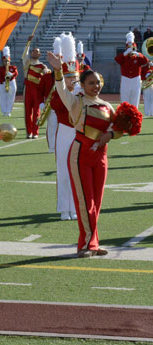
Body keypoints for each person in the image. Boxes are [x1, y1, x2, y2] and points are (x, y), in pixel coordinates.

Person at [47, 52, 134, 257]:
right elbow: (60, 89)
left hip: (101, 157)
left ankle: (93, 242)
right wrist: (58, 70)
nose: (95, 86)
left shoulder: (107, 105)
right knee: (85, 201)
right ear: (83, 85)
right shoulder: (76, 102)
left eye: (98, 83)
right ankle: (85, 245)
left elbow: (119, 128)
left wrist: (111, 134)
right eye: (91, 83)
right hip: (81, 154)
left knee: (96, 201)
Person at [49, 34, 81, 221]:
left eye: (74, 78)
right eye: (69, 78)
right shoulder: (58, 92)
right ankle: (64, 208)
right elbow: (57, 106)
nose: (72, 81)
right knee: (63, 169)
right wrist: (69, 92)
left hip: (78, 133)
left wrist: (79, 93)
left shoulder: (80, 91)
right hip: (64, 132)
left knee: (77, 170)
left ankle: (75, 206)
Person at [21, 45, 51, 139]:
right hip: (28, 89)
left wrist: (46, 71)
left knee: (37, 112)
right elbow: (24, 55)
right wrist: (28, 43)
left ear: (39, 54)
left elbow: (47, 72)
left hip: (37, 90)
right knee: (28, 111)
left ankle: (35, 132)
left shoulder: (42, 65)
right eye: (33, 51)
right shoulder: (27, 62)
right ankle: (29, 132)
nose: (34, 52)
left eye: (37, 51)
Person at [114, 31, 145, 108]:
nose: (131, 50)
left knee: (135, 98)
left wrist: (139, 54)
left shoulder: (138, 57)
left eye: (132, 48)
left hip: (136, 79)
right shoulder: (124, 57)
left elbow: (146, 61)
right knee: (125, 98)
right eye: (129, 48)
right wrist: (125, 53)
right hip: (125, 79)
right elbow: (117, 59)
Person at [0, 46, 18, 117]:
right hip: (2, 83)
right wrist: (3, 81)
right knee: (2, 97)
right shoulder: (0, 68)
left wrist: (12, 75)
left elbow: (16, 73)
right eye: (5, 61)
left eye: (7, 61)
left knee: (11, 97)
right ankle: (4, 111)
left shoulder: (13, 67)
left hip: (11, 82)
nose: (6, 62)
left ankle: (9, 111)